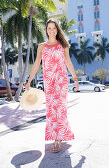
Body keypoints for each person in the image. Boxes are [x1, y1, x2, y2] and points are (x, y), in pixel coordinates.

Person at [26, 19, 79, 153]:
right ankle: (57, 136)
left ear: (57, 30)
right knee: (51, 111)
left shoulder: (63, 45)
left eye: (54, 28)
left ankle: (58, 139)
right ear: (46, 30)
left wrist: (75, 78)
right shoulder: (41, 47)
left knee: (61, 109)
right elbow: (37, 64)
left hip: (61, 82)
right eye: (49, 28)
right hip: (49, 83)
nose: (51, 30)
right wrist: (29, 81)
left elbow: (69, 63)